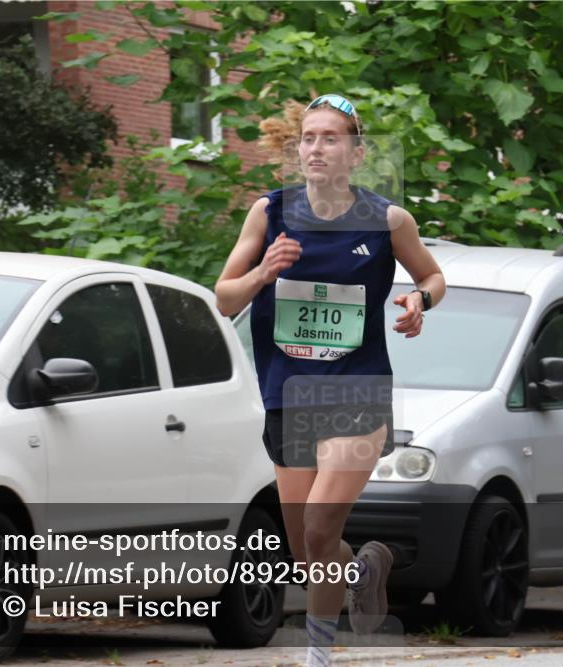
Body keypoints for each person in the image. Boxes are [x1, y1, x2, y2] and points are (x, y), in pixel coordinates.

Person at [215, 94, 445, 667]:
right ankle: (366, 567)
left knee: (320, 523)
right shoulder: (269, 214)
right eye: (309, 138)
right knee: (306, 548)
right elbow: (224, 298)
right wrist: (264, 271)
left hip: (357, 389)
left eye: (331, 138)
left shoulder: (388, 220)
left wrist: (419, 300)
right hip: (288, 393)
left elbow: (434, 275)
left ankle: (318, 656)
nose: (317, 147)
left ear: (356, 152)